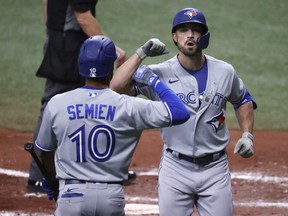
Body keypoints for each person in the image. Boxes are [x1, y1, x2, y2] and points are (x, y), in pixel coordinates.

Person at [110, 7, 257, 216]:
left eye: (196, 30)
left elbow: (243, 100)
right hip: (175, 169)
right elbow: (116, 87)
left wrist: (247, 134)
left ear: (205, 36)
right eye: (184, 30)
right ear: (174, 36)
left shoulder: (225, 71)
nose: (190, 35)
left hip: (215, 169)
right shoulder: (159, 73)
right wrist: (141, 53)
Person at [34, 35, 189, 215]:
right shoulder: (130, 106)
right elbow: (179, 112)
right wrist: (153, 81)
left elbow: (44, 151)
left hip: (71, 195)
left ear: (80, 66)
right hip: (111, 197)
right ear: (110, 69)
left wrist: (52, 180)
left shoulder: (57, 104)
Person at [27, 0, 128, 192]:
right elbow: (82, 16)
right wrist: (108, 47)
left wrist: (55, 31)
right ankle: (39, 177)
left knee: (79, 103)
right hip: (70, 46)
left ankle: (84, 168)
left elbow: (47, 4)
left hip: (61, 39)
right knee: (55, 103)